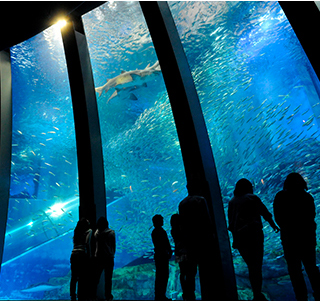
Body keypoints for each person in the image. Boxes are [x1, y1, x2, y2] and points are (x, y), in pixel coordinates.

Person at [228, 178, 279, 301]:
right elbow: (265, 213)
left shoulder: (232, 202)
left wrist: (235, 240)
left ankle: (257, 293)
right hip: (254, 236)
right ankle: (257, 294)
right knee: (256, 266)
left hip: (240, 239)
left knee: (251, 266)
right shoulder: (252, 198)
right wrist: (274, 226)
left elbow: (231, 223)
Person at [273, 172, 320, 300]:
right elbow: (311, 216)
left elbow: (278, 217)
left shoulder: (280, 196)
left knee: (294, 270)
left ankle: (301, 297)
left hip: (289, 238)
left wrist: (288, 227)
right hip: (307, 237)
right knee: (311, 267)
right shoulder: (307, 197)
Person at [178, 180, 218, 301]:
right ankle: (209, 295)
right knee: (205, 270)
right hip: (201, 241)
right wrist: (212, 237)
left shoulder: (182, 204)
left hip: (187, 241)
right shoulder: (200, 200)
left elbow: (183, 224)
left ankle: (189, 296)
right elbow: (207, 219)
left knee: (189, 273)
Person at [170, 213, 196, 300]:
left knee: (183, 272)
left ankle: (185, 291)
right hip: (186, 253)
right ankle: (190, 291)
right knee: (190, 272)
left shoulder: (173, 230)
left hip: (179, 253)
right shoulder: (183, 230)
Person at [70, 218, 92, 301]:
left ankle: (72, 296)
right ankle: (81, 296)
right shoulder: (88, 231)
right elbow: (88, 244)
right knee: (82, 276)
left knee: (74, 277)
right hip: (82, 254)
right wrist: (89, 256)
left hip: (74, 254)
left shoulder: (76, 232)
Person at [151, 214, 173, 301]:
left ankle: (159, 295)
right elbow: (165, 243)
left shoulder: (154, 231)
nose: (163, 221)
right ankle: (161, 296)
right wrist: (169, 251)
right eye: (161, 220)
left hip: (159, 256)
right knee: (163, 276)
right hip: (162, 256)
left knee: (160, 276)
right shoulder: (160, 231)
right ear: (157, 221)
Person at [94, 216, 116, 301]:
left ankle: (93, 295)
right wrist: (112, 253)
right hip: (108, 258)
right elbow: (113, 245)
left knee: (96, 278)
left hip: (98, 257)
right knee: (108, 278)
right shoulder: (111, 233)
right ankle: (108, 296)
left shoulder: (96, 232)